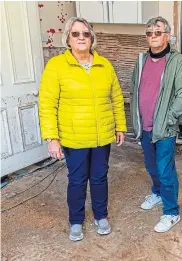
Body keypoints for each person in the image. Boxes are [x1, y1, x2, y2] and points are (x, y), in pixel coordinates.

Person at [39, 17, 127, 241]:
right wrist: (52, 137)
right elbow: (48, 103)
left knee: (99, 178)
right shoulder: (56, 66)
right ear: (68, 38)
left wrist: (120, 126)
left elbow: (116, 97)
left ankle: (101, 216)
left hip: (101, 136)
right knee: (77, 180)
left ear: (91, 38)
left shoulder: (104, 65)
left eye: (85, 34)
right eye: (75, 34)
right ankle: (76, 221)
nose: (81, 38)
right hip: (73, 137)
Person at [131, 16, 182, 233]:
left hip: (164, 128)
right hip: (144, 126)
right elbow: (134, 90)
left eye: (157, 32)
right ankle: (157, 193)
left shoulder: (177, 62)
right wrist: (134, 120)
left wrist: (169, 118)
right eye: (149, 32)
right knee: (150, 165)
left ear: (167, 35)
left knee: (165, 170)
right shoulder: (141, 61)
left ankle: (171, 212)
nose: (153, 36)